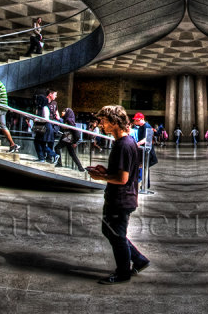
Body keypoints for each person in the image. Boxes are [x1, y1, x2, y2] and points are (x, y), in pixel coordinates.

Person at [86, 105, 150, 284]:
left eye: (104, 121)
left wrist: (101, 176)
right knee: (110, 231)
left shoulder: (123, 145)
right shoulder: (125, 142)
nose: (101, 125)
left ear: (115, 122)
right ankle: (138, 259)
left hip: (121, 198)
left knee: (116, 235)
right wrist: (106, 171)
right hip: (121, 197)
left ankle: (123, 273)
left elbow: (122, 179)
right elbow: (123, 172)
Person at [132, 112, 158, 187]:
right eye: (135, 120)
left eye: (137, 120)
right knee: (143, 167)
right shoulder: (140, 127)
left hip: (148, 151)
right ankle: (145, 184)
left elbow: (148, 138)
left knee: (145, 166)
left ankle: (146, 184)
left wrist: (138, 144)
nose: (135, 122)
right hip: (143, 150)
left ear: (142, 119)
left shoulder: (147, 126)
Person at [55, 105, 85, 171]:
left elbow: (75, 131)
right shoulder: (67, 119)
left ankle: (59, 163)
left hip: (67, 139)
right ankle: (80, 167)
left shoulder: (69, 120)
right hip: (67, 138)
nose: (62, 112)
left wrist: (75, 142)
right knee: (72, 153)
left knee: (57, 148)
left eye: (64, 111)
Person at [32, 93, 59, 164]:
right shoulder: (40, 108)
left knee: (38, 142)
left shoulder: (45, 108)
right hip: (43, 128)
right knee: (40, 143)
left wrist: (36, 120)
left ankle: (47, 156)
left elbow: (46, 119)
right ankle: (44, 157)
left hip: (45, 128)